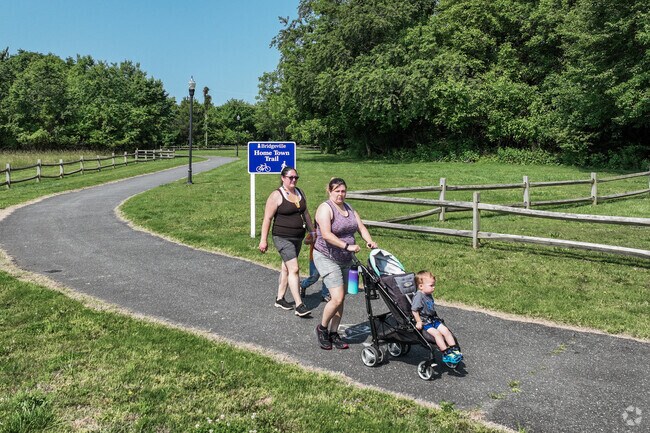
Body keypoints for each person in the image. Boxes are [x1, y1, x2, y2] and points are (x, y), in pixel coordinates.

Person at [313, 177, 377, 350]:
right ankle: (322, 329)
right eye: (337, 191)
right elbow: (326, 234)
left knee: (341, 299)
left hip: (345, 259)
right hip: (326, 256)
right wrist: (347, 246)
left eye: (343, 191)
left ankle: (334, 333)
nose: (340, 194)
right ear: (329, 191)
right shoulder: (325, 209)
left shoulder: (349, 208)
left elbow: (361, 227)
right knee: (337, 297)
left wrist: (369, 241)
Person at [259, 166, 315, 317]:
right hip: (282, 237)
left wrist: (313, 231)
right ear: (283, 178)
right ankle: (299, 305)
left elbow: (306, 213)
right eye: (291, 177)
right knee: (294, 268)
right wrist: (263, 240)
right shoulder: (276, 195)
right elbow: (267, 219)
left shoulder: (300, 192)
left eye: (296, 177)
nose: (294, 180)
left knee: (286, 267)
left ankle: (280, 298)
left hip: (298, 236)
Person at [411, 270, 463, 364]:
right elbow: (414, 310)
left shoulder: (428, 294)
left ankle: (454, 349)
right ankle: (446, 353)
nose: (433, 288)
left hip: (433, 319)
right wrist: (418, 321)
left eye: (434, 285)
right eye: (431, 285)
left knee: (446, 330)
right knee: (437, 334)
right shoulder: (419, 296)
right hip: (425, 322)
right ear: (421, 286)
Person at [299, 231, 330, 302]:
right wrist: (313, 240)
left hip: (326, 258)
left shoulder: (329, 230)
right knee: (314, 277)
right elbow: (305, 241)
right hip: (314, 258)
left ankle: (325, 294)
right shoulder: (314, 231)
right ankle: (303, 285)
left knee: (326, 275)